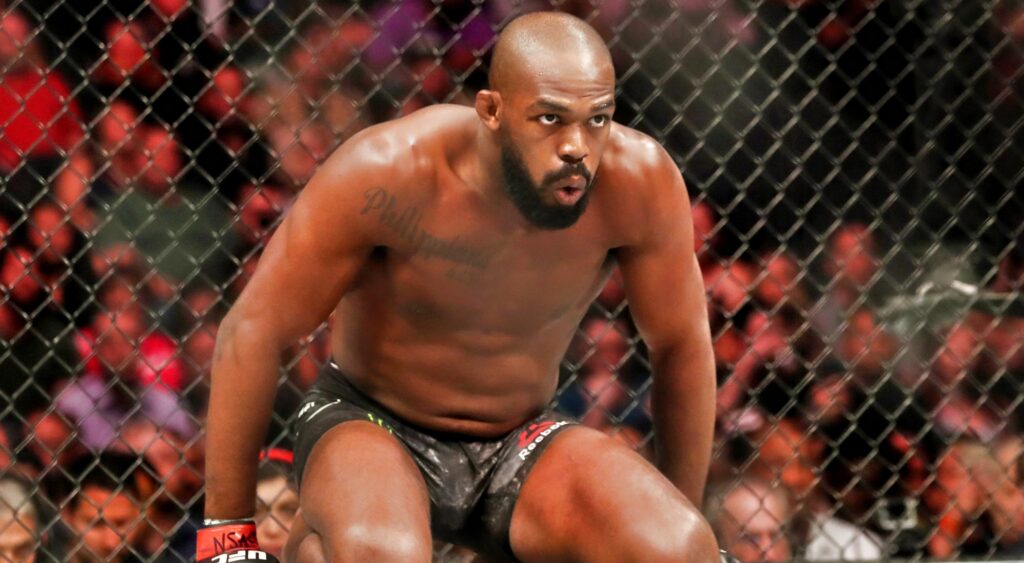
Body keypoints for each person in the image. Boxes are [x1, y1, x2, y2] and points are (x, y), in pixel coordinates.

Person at [202, 11, 718, 563]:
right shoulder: (388, 171)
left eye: (597, 120)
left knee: (678, 546)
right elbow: (254, 328)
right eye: (550, 118)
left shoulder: (638, 182)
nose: (577, 147)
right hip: (371, 421)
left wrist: (678, 516)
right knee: (385, 552)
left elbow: (681, 345)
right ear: (492, 110)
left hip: (519, 440)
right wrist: (226, 538)